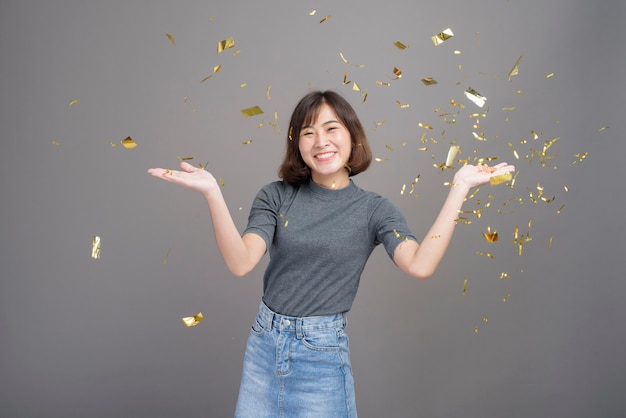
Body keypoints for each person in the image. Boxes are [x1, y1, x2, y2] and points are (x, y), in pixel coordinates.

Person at [148, 90, 515, 417]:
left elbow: (420, 265)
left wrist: (461, 188)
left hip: (320, 355)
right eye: (308, 132)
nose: (320, 141)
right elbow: (241, 262)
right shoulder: (275, 196)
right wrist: (213, 192)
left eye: (331, 129)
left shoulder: (374, 210)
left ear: (352, 136)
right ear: (297, 144)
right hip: (264, 344)